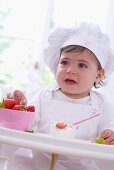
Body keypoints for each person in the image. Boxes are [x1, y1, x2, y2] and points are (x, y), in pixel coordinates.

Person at [4, 22, 114, 170]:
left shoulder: (102, 105)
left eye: (82, 65)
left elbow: (109, 130)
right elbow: (27, 125)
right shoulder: (44, 95)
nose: (70, 70)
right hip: (38, 164)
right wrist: (21, 107)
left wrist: (109, 134)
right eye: (64, 62)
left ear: (98, 75)